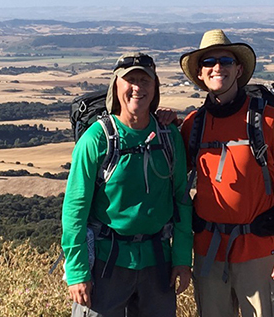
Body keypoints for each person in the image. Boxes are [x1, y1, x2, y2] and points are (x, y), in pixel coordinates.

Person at [179, 29, 274, 317]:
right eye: (209, 62)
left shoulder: (269, 121)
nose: (217, 67)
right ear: (200, 74)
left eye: (225, 61)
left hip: (261, 254)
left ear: (238, 70)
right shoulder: (192, 125)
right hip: (208, 254)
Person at [61, 52, 193, 317]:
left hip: (158, 263)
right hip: (106, 261)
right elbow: (75, 209)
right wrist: (77, 272)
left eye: (145, 81)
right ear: (115, 86)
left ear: (154, 88)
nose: (137, 88)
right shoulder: (97, 139)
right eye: (129, 80)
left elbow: (181, 199)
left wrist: (181, 258)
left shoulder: (169, 137)